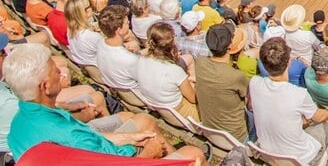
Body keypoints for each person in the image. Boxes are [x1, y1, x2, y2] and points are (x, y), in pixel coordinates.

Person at [4, 43, 206, 164]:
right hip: (120, 159)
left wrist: (130, 136)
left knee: (144, 121)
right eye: (55, 70)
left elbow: (90, 138)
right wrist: (149, 154)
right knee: (193, 154)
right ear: (45, 87)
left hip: (103, 150)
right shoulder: (72, 139)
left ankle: (170, 156)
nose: (61, 71)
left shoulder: (18, 125)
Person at [250, 37, 328, 165]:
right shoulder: (298, 94)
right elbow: (320, 117)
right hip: (301, 158)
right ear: (288, 63)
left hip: (267, 153)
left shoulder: (254, 83)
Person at [195, 21, 251, 143]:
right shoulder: (235, 76)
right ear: (230, 45)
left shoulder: (200, 62)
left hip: (210, 131)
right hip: (236, 137)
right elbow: (251, 99)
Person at [137, 22, 200, 121]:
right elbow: (194, 99)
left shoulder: (141, 61)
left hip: (161, 106)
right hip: (181, 113)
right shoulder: (174, 71)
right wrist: (194, 83)